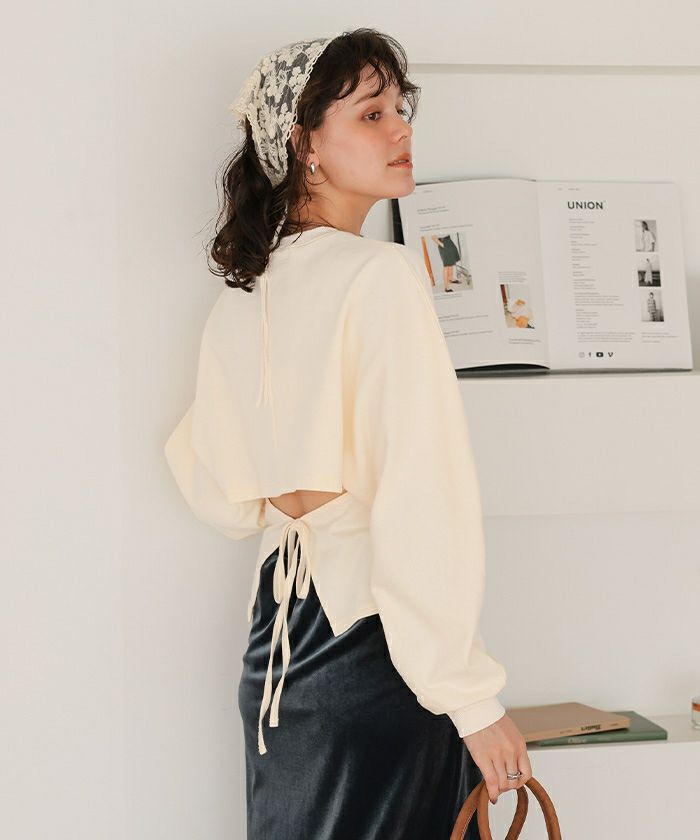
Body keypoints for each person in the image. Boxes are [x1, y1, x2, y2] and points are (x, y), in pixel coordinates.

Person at [163, 27, 531, 839]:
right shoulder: (379, 275)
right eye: (371, 114)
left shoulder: (247, 291)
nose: (401, 129)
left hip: (278, 650)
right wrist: (470, 699)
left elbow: (218, 492)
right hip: (374, 651)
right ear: (303, 145)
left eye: (401, 108)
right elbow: (421, 495)